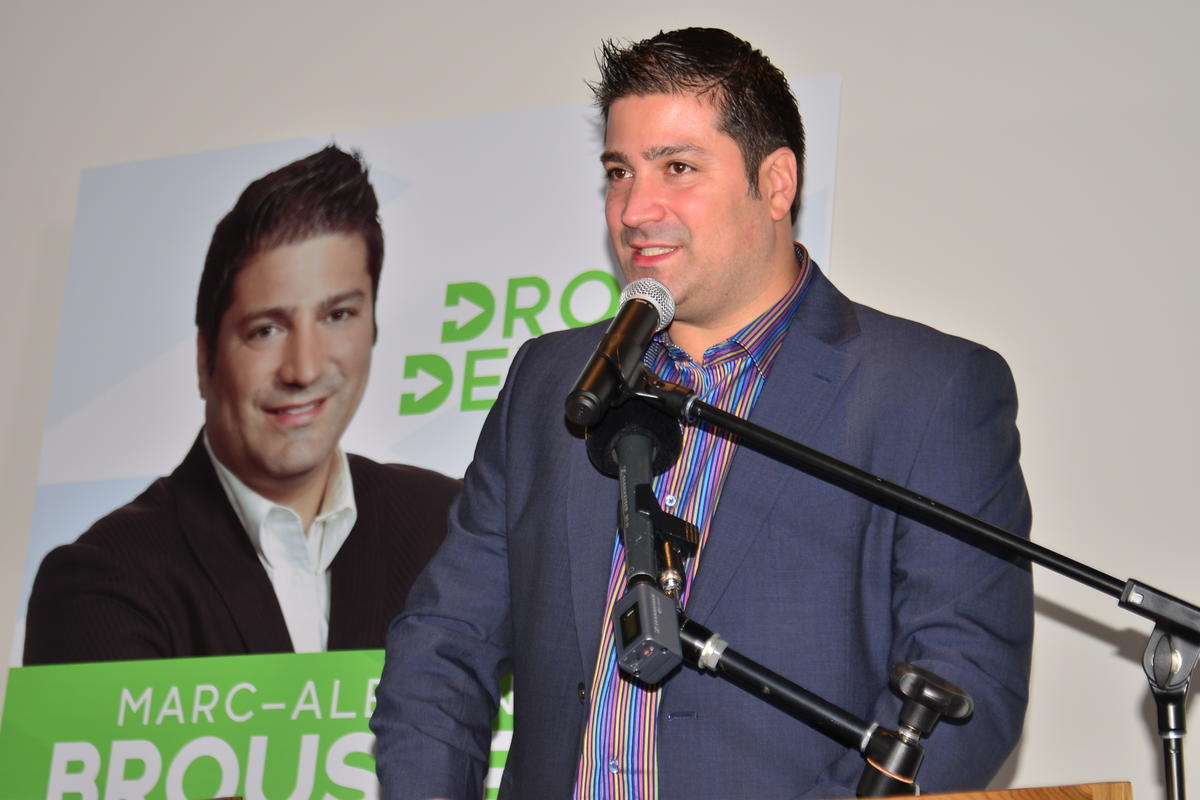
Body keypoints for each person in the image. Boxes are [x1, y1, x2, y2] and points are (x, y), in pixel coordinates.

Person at [371, 28, 1033, 799]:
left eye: (677, 168)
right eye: (619, 171)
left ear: (775, 183)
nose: (634, 208)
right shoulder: (552, 380)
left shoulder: (926, 390)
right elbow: (444, 643)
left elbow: (962, 678)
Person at [25, 146, 460, 664]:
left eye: (338, 315)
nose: (304, 369)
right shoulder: (99, 584)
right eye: (266, 330)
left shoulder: (452, 526)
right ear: (205, 358)